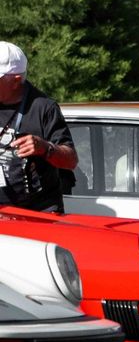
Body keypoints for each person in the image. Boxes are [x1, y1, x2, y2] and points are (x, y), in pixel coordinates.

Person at [0, 42, 78, 214]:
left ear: (16, 81)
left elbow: (71, 160)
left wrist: (44, 148)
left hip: (38, 212)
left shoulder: (43, 107)